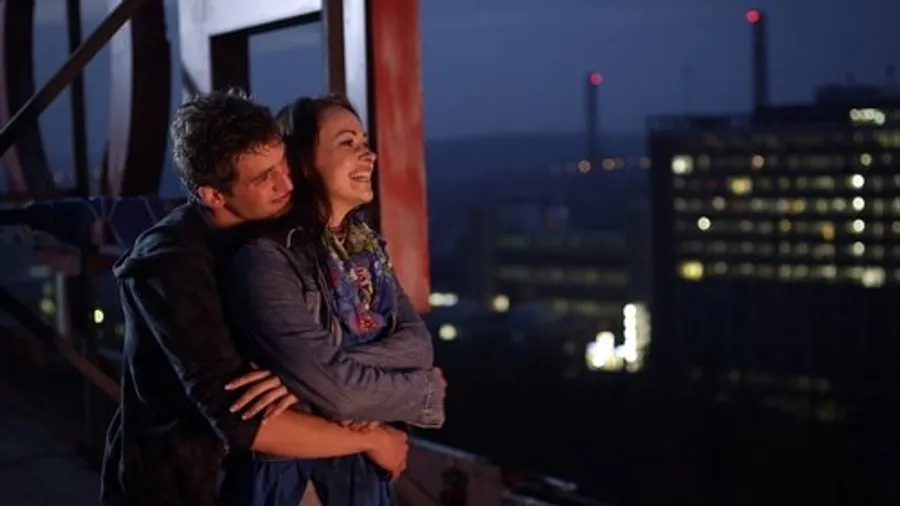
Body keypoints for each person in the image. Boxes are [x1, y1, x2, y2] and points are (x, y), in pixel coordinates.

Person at [100, 89, 409, 506]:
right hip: (186, 483)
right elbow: (239, 418)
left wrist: (302, 379)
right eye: (264, 178)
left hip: (280, 474)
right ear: (213, 195)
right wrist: (373, 440)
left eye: (284, 164)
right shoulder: (170, 266)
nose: (287, 183)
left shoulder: (278, 223)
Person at [220, 94, 445, 506]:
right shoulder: (267, 260)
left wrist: (299, 383)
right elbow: (340, 393)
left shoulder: (367, 250)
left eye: (365, 142)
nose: (369, 155)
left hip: (360, 479)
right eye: (348, 143)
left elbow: (419, 347)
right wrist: (424, 390)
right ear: (304, 161)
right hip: (293, 483)